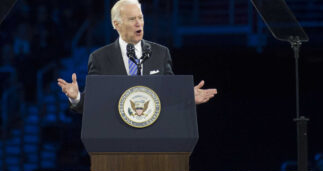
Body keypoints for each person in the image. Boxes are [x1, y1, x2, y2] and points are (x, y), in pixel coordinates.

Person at [57, 0, 217, 113]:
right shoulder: (100, 57)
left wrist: (187, 97)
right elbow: (93, 101)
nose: (138, 23)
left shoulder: (161, 53)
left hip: (154, 138)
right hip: (116, 141)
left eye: (140, 18)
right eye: (132, 19)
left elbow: (169, 93)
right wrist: (76, 97)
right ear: (116, 25)